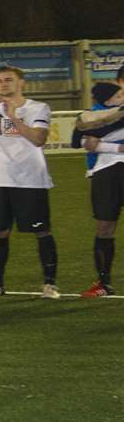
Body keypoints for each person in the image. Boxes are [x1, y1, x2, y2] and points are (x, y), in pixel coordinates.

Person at [0, 66, 57, 297]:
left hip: (31, 180)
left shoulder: (37, 108)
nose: (3, 84)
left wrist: (13, 116)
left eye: (8, 80)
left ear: (21, 83)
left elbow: (38, 138)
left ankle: (49, 284)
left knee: (41, 231)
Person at [76, 82, 124, 297]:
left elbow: (95, 140)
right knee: (105, 226)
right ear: (107, 98)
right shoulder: (88, 115)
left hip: (110, 165)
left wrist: (102, 139)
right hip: (105, 170)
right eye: (119, 93)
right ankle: (103, 282)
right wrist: (118, 146)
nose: (123, 95)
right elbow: (86, 142)